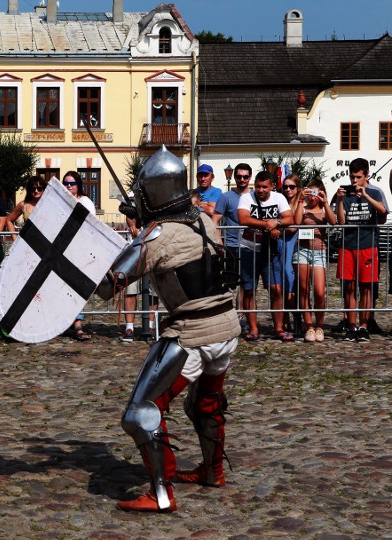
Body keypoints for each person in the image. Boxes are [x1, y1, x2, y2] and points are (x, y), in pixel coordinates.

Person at [95, 146, 239, 513]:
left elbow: (108, 286)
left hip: (193, 333)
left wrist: (132, 237)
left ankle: (161, 495)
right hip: (227, 327)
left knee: (142, 411)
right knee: (205, 405)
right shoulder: (204, 219)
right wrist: (142, 225)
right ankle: (212, 471)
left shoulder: (157, 236)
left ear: (151, 195)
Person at [236, 171, 295, 342]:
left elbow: (289, 218)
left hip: (271, 250)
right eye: (258, 186)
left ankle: (278, 328)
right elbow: (243, 218)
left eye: (264, 187)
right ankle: (253, 329)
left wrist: (276, 222)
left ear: (272, 186)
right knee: (249, 290)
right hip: (249, 249)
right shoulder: (247, 198)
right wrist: (268, 225)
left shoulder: (278, 198)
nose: (260, 190)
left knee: (276, 289)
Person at [334, 157, 388, 342]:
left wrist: (365, 195)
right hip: (348, 245)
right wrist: (340, 200)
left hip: (367, 244)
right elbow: (341, 221)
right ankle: (351, 325)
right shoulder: (344, 194)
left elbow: (382, 211)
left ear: (367, 175)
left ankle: (364, 325)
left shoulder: (375, 191)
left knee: (366, 288)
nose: (354, 181)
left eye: (358, 177)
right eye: (352, 177)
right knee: (348, 287)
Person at [213, 163, 252, 333]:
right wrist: (219, 242)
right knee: (229, 284)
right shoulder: (226, 197)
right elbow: (215, 220)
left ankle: (241, 316)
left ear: (250, 177)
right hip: (231, 246)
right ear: (234, 177)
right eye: (239, 176)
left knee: (247, 284)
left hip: (251, 246)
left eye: (245, 176)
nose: (242, 179)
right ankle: (227, 317)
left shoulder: (255, 196)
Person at [294, 180, 336, 342]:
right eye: (310, 193)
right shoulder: (303, 209)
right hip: (302, 251)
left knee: (319, 291)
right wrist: (299, 199)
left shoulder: (324, 210)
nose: (312, 197)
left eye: (315, 193)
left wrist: (325, 202)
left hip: (319, 252)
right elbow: (296, 222)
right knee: (304, 289)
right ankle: (309, 327)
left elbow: (333, 222)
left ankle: (320, 325)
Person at [62, 171, 95, 340]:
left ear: (78, 185)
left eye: (72, 183)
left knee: (76, 289)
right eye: (66, 183)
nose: (69, 186)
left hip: (79, 250)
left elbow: (88, 226)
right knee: (64, 289)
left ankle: (78, 325)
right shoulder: (62, 202)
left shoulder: (85, 202)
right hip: (63, 250)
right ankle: (67, 323)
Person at [278, 174, 304, 334]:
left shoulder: (301, 203)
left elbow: (294, 225)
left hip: (295, 245)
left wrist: (277, 226)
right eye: (285, 186)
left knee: (292, 283)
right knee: (281, 283)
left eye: (291, 187)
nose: (288, 189)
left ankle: (297, 318)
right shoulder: (280, 202)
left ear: (298, 188)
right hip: (281, 245)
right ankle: (285, 319)